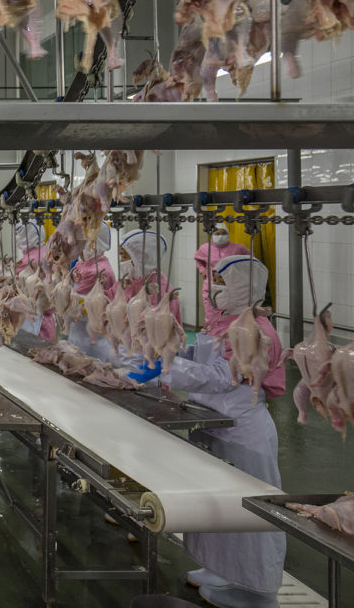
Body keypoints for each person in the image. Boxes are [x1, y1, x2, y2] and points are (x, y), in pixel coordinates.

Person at [130, 256, 285, 608]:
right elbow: (202, 360)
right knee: (215, 508)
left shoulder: (258, 333)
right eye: (212, 279)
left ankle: (258, 590)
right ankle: (221, 569)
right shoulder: (220, 324)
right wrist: (170, 350)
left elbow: (220, 377)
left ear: (244, 287)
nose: (213, 287)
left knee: (248, 514)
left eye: (222, 281)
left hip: (242, 431)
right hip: (210, 423)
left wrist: (167, 366)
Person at [67, 225, 117, 361]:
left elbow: (73, 300)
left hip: (93, 338)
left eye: (85, 241)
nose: (80, 245)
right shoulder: (82, 264)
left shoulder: (99, 270)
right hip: (78, 332)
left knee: (92, 368)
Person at [195, 225, 251, 336]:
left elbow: (250, 259)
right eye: (217, 233)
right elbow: (198, 260)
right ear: (212, 234)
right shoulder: (205, 248)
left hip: (231, 286)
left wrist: (241, 273)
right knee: (211, 315)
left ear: (228, 234)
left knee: (229, 315)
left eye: (223, 233)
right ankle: (212, 338)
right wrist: (202, 270)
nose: (220, 236)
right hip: (211, 286)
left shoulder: (238, 248)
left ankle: (229, 341)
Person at [119, 230, 181, 323]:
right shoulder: (131, 281)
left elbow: (157, 330)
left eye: (123, 256)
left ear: (140, 258)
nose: (120, 261)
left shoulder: (159, 290)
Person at [16, 221, 56, 342]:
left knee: (35, 353)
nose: (17, 238)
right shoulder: (44, 252)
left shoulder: (34, 257)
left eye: (20, 234)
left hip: (37, 319)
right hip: (41, 318)